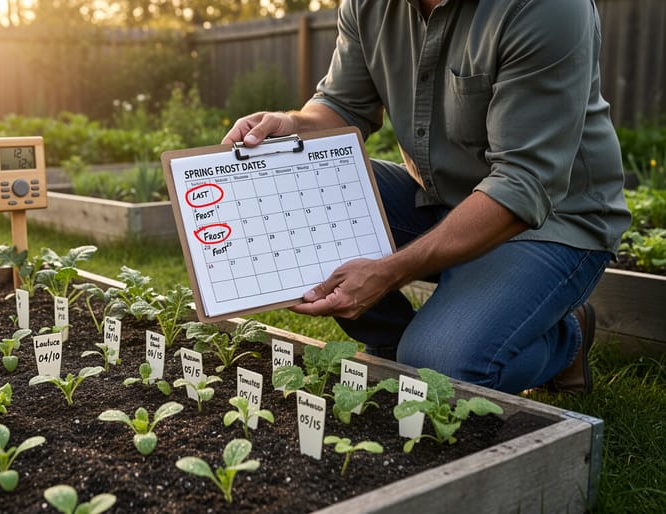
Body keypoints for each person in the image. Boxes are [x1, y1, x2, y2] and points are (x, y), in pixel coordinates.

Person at [221, 0, 631, 394]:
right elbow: (343, 106)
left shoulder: (543, 7)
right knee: (294, 189)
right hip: (438, 197)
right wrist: (291, 125)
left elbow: (522, 184)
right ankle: (391, 351)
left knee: (436, 369)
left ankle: (566, 338)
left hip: (552, 220)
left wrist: (388, 271)